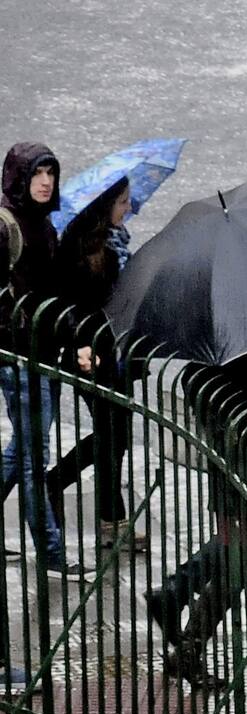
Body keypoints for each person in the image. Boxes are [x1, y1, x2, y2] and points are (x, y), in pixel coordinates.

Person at [145, 342, 247, 688]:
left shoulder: (245, 342)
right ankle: (176, 592)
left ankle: (186, 650)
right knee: (245, 559)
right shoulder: (235, 350)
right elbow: (246, 414)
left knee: (243, 566)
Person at [0, 143, 93, 582]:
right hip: (19, 360)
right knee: (35, 458)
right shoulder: (5, 227)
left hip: (43, 355)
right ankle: (52, 553)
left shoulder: (45, 227)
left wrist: (73, 340)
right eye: (38, 173)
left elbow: (53, 297)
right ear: (19, 177)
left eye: (52, 174)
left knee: (22, 451)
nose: (46, 182)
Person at [45, 176, 141, 550]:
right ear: (103, 207)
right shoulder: (78, 248)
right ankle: (109, 520)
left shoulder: (116, 243)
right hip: (89, 354)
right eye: (122, 202)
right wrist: (82, 346)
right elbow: (71, 306)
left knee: (115, 436)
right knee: (111, 434)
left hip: (116, 351)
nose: (128, 208)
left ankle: (78, 498)